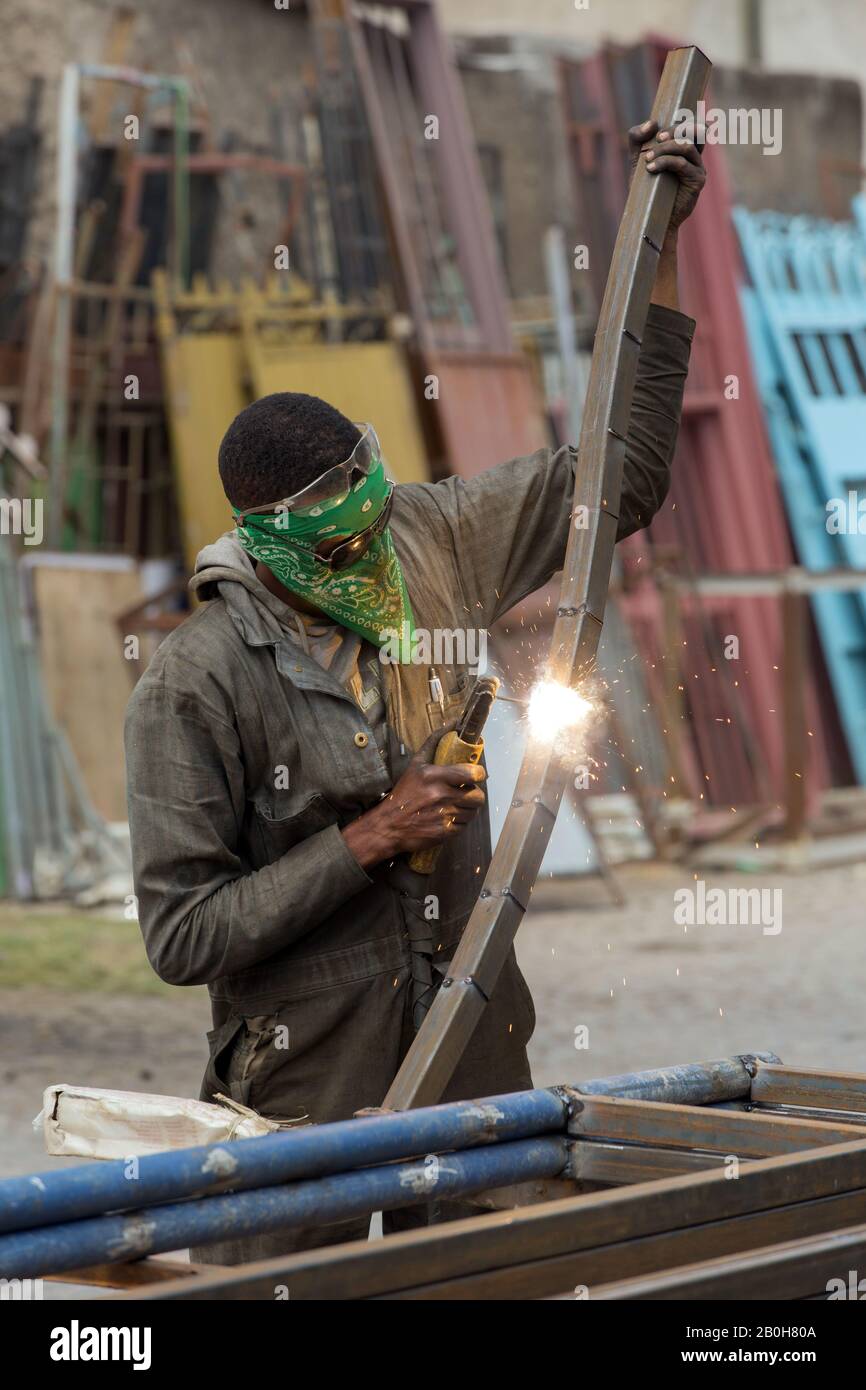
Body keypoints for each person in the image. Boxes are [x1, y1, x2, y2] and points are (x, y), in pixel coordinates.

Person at [124, 120, 706, 1262]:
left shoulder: (425, 536)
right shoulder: (191, 686)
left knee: (487, 1285)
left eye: (375, 536)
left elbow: (616, 482)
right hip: (306, 1082)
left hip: (470, 1036)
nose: (374, 571)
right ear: (274, 546)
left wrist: (660, 252)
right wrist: (368, 837)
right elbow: (184, 934)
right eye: (342, 558)